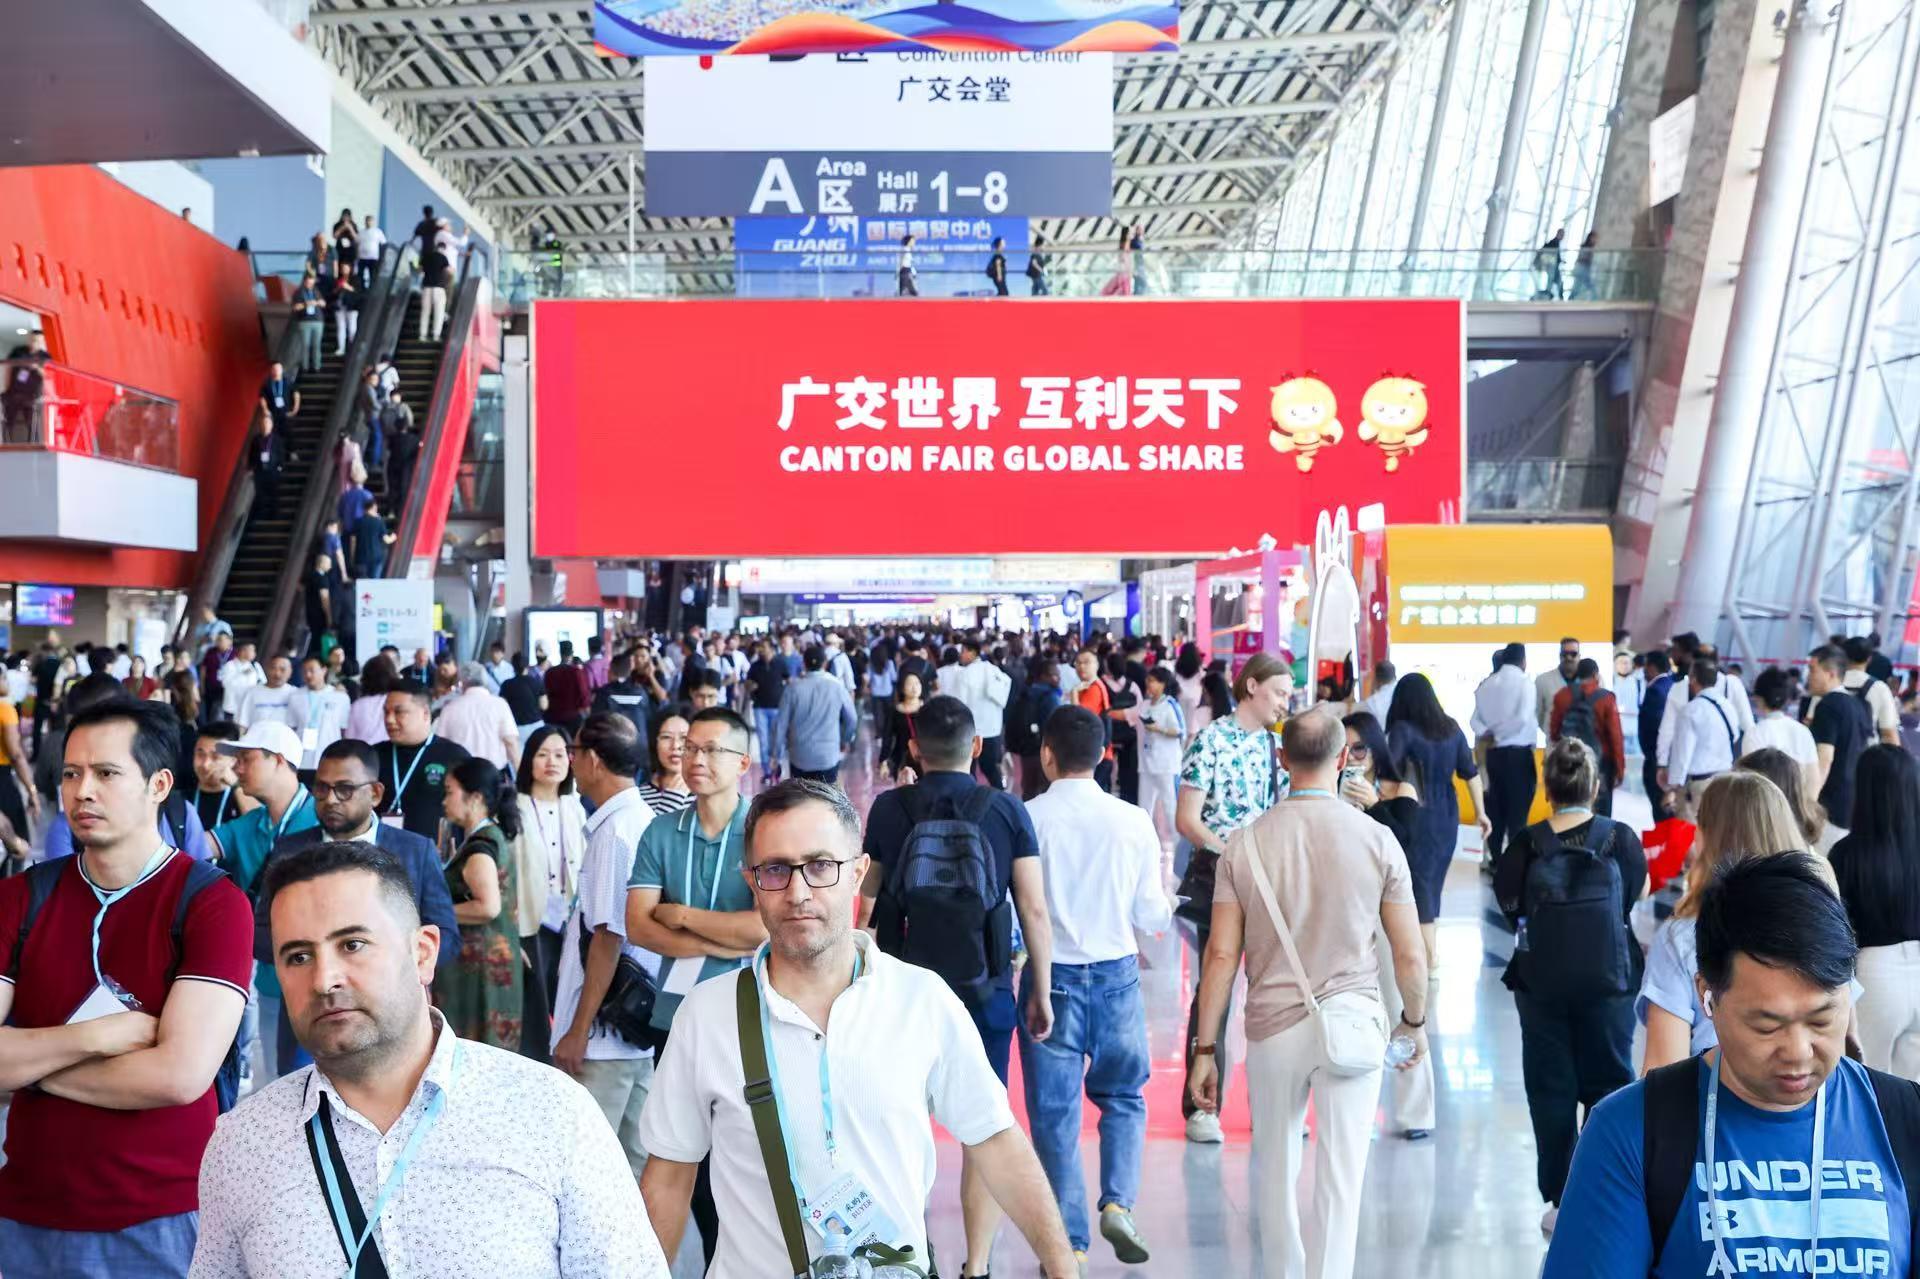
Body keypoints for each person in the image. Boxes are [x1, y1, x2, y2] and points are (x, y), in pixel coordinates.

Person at [637, 779, 1078, 1279]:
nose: (798, 892)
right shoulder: (706, 1015)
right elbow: (669, 1177)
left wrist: (1062, 1266)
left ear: (858, 874)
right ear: (752, 882)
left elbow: (995, 1141)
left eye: (821, 866)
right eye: (775, 869)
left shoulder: (920, 1000)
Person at [195, 840, 670, 1277]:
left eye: (352, 945)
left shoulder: (551, 1113)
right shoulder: (243, 1146)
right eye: (298, 957)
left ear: (423, 954)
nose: (324, 979)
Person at [1544, 854, 1920, 1279]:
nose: (1798, 1052)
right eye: (1766, 1026)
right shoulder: (1631, 1131)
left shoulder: (1905, 1121)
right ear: (1708, 996)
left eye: (1821, 1020)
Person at [0, 697, 252, 1277]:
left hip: (162, 1217)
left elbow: (179, 1075)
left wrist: (26, 1068)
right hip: (27, 1208)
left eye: (107, 773)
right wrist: (100, 1036)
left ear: (159, 784)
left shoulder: (212, 904)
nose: (82, 791)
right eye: (71, 774)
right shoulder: (20, 898)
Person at [1189, 707, 1430, 1279]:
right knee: (1342, 1179)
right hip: (1352, 1022)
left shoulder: (1243, 845)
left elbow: (1221, 955)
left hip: (1272, 1030)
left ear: (1281, 760)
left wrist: (1206, 1048)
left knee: (1275, 1171)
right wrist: (1414, 1022)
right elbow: (1410, 954)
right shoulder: (1378, 840)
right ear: (1343, 758)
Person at [860, 695, 1056, 1276]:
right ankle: (977, 1265)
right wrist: (1040, 989)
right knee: (984, 1129)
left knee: (900, 1122)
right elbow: (1034, 909)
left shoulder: (889, 809)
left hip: (901, 991)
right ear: (976, 747)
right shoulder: (1007, 810)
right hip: (985, 990)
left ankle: (914, 1253)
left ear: (913, 749)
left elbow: (866, 901)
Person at [1021, 705, 1172, 1268]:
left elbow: (1018, 909)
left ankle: (1070, 1247)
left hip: (1049, 978)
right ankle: (1118, 1204)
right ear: (1106, 754)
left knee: (1054, 1115)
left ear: (1047, 755)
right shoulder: (1132, 820)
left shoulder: (1027, 817)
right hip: (1116, 977)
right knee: (1124, 1096)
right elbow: (1150, 913)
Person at [1493, 739, 1649, 1236]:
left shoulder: (1525, 844)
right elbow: (1634, 896)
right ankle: (1607, 1191)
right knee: (1610, 1086)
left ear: (1547, 789)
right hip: (1610, 981)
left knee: (1550, 1088)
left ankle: (1561, 1199)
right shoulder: (1619, 839)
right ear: (1596, 787)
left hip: (1540, 985)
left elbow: (1510, 907)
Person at [1174, 649, 1291, 1143]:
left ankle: (1271, 1106)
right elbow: (1187, 819)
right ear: (1252, 686)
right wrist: (1232, 855)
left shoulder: (1276, 747)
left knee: (1270, 996)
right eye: (1279, 693)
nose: (1284, 703)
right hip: (1222, 880)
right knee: (1215, 989)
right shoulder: (1211, 741)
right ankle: (1202, 1106)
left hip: (1269, 884)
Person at [1637, 771, 1818, 1071]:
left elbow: (1662, 1069)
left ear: (1707, 837)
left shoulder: (1681, 937)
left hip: (1715, 1095)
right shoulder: (1818, 921)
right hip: (1804, 1092)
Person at [1340, 710, 1434, 1139]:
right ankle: (1351, 1109)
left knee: (1404, 1007)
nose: (1351, 758)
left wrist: (1375, 806)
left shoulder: (1400, 792)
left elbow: (1407, 850)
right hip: (1345, 909)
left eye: (1359, 748)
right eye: (1343, 749)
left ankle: (1416, 1113)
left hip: (1389, 912)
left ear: (1376, 749)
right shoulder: (1332, 792)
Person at [1827, 744, 1920, 1079]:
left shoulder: (1845, 854)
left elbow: (1837, 929)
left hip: (1873, 973)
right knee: (1913, 1091)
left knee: (1871, 1084)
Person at [1387, 672, 1491, 968]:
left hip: (1414, 813)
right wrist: (1481, 812)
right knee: (1431, 884)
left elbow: (1389, 773)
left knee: (1419, 884)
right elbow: (1470, 774)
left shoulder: (1403, 731)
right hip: (1446, 814)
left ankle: (1429, 958)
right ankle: (1426, 953)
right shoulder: (1452, 728)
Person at [510, 726, 586, 1063]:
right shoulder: (515, 807)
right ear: (529, 760)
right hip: (529, 917)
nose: (552, 762)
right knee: (536, 1000)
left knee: (568, 993)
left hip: (571, 918)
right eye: (542, 754)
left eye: (559, 754)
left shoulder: (576, 806)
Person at [436, 758, 522, 1050]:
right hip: (487, 964)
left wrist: (435, 915)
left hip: (480, 972)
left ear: (474, 798)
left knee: (477, 1049)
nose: (444, 801)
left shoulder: (480, 848)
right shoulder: (488, 837)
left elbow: (487, 907)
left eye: (450, 792)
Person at [372, 681, 471, 841]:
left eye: (399, 712)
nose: (389, 720)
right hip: (379, 851)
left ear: (425, 713)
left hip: (435, 852)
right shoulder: (373, 755)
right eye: (386, 712)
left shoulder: (454, 757)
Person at [1473, 642, 1538, 871]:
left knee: (1495, 810)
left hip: (1493, 755)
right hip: (1518, 754)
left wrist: (1491, 733)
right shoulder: (1525, 683)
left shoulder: (1486, 685)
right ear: (1523, 661)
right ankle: (1515, 864)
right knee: (1517, 814)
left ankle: (1496, 861)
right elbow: (1523, 718)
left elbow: (1475, 721)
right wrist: (1502, 734)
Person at [1662, 653, 1743, 817]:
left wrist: (1673, 787)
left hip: (1698, 785)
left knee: (1694, 830)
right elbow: (1735, 736)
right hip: (1725, 781)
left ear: (1693, 679)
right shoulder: (1727, 706)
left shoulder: (1691, 710)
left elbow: (1682, 753)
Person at [1550, 657, 1627, 816]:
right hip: (1601, 763)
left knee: (1570, 806)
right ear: (1596, 675)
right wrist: (1619, 769)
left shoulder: (1562, 696)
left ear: (1577, 674)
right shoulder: (1606, 698)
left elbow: (1554, 732)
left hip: (1569, 761)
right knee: (1602, 812)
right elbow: (1615, 737)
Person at [1808, 643, 1873, 829]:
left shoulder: (1828, 705)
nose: (1808, 677)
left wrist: (1809, 801)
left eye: (1812, 670)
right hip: (1852, 800)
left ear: (1830, 674)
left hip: (1828, 803)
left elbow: (1825, 758)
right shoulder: (1857, 704)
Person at [776, 643, 856, 784]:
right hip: (828, 755)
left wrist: (777, 754)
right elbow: (852, 719)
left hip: (799, 756)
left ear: (804, 663)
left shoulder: (792, 689)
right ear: (825, 663)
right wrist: (845, 740)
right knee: (825, 795)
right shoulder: (836, 686)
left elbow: (781, 724)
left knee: (801, 795)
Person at [945, 636, 1014, 790]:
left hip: (971, 732)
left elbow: (958, 705)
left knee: (968, 769)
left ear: (972, 652)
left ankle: (970, 796)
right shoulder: (993, 669)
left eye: (963, 651)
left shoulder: (964, 674)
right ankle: (1000, 795)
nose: (960, 655)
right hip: (993, 730)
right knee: (990, 768)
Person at [1743, 665, 1820, 797]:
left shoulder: (1755, 733)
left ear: (1759, 699)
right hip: (1799, 802)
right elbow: (1813, 778)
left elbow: (1751, 780)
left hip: (1768, 804)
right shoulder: (1803, 731)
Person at [433, 661, 521, 769]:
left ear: (462, 682)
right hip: (493, 772)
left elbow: (440, 744)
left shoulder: (449, 709)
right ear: (485, 680)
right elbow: (511, 742)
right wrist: (519, 771)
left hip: (460, 772)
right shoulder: (500, 705)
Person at [1137, 665, 1186, 861]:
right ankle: (1145, 848)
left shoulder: (1170, 705)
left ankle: (1179, 850)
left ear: (1163, 684)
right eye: (1147, 680)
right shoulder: (1145, 704)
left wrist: (1160, 729)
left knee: (1170, 806)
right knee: (1144, 807)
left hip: (1167, 764)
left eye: (1152, 681)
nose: (1148, 684)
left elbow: (1180, 731)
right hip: (1147, 762)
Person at [288, 654, 351, 773]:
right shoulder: (295, 696)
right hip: (302, 756)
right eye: (304, 671)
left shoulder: (339, 697)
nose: (308, 675)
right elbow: (292, 727)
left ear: (324, 670)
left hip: (330, 753)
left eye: (312, 670)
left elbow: (344, 730)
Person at [1844, 634, 1904, 746]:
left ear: (1844, 656)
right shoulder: (1880, 688)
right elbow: (1889, 733)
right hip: (1866, 751)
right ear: (1869, 659)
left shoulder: (1830, 683)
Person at [635, 706, 695, 817]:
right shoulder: (639, 797)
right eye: (666, 737)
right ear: (654, 743)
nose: (675, 746)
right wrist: (671, 801)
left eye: (684, 738)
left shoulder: (708, 793)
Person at [1638, 650, 1677, 821]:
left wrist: (1653, 757)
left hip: (1657, 759)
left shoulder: (1655, 691)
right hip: (1669, 758)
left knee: (1660, 808)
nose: (1643, 670)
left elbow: (1653, 728)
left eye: (1645, 666)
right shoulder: (1672, 685)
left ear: (1652, 667)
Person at [744, 639, 788, 784]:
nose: (761, 650)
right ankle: (767, 772)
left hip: (778, 707)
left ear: (771, 649)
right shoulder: (755, 666)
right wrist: (751, 686)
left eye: (763, 647)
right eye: (759, 647)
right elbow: (747, 684)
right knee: (763, 741)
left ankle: (777, 766)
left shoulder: (780, 663)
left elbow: (788, 681)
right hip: (760, 708)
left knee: (777, 740)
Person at [590, 651, 651, 741]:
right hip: (640, 744)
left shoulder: (604, 693)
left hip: (612, 745)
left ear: (611, 670)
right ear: (630, 670)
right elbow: (648, 718)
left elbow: (594, 722)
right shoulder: (641, 692)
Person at [499, 651, 548, 752]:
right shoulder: (537, 681)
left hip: (516, 728)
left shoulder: (507, 685)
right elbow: (544, 705)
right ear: (527, 666)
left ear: (513, 666)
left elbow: (502, 707)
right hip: (536, 725)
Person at [543, 639, 592, 733]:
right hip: (572, 717)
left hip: (553, 717)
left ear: (560, 653)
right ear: (572, 653)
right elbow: (583, 694)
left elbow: (546, 693)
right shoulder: (577, 672)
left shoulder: (550, 672)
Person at [1537, 638, 1580, 736]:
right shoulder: (1543, 680)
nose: (1569, 658)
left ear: (1579, 656)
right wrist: (1551, 731)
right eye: (1565, 654)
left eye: (1573, 654)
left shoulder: (1593, 680)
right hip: (1555, 741)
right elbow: (1538, 715)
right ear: (1559, 656)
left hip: (1584, 743)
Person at [291, 271, 325, 374]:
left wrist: (317, 302)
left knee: (316, 345)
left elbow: (323, 303)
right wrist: (306, 304)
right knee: (305, 345)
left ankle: (317, 366)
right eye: (308, 283)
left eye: (312, 283)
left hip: (317, 320)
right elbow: (295, 307)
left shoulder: (316, 291)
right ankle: (305, 366)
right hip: (304, 321)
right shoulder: (299, 292)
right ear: (304, 282)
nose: (310, 285)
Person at [1534, 228, 1565, 300]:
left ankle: (1552, 296)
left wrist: (1560, 260)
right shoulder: (1554, 242)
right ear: (1558, 233)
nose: (1563, 236)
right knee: (1555, 281)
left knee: (1554, 281)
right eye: (1562, 234)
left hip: (1553, 266)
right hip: (1552, 266)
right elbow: (1551, 254)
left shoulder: (1555, 242)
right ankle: (1555, 297)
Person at [1026, 231, 1051, 296]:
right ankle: (1041, 301)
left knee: (1035, 289)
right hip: (1036, 274)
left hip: (1035, 274)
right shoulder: (1036, 252)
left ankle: (1034, 300)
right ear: (1040, 244)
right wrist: (1041, 270)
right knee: (1045, 290)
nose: (1044, 246)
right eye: (1043, 244)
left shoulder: (1038, 251)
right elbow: (1034, 263)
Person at [897, 232, 919, 296]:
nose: (914, 243)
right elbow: (901, 261)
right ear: (909, 241)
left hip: (907, 270)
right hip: (904, 271)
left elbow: (910, 263)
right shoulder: (905, 249)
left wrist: (913, 272)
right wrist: (899, 271)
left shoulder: (908, 249)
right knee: (904, 290)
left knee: (912, 292)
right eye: (912, 241)